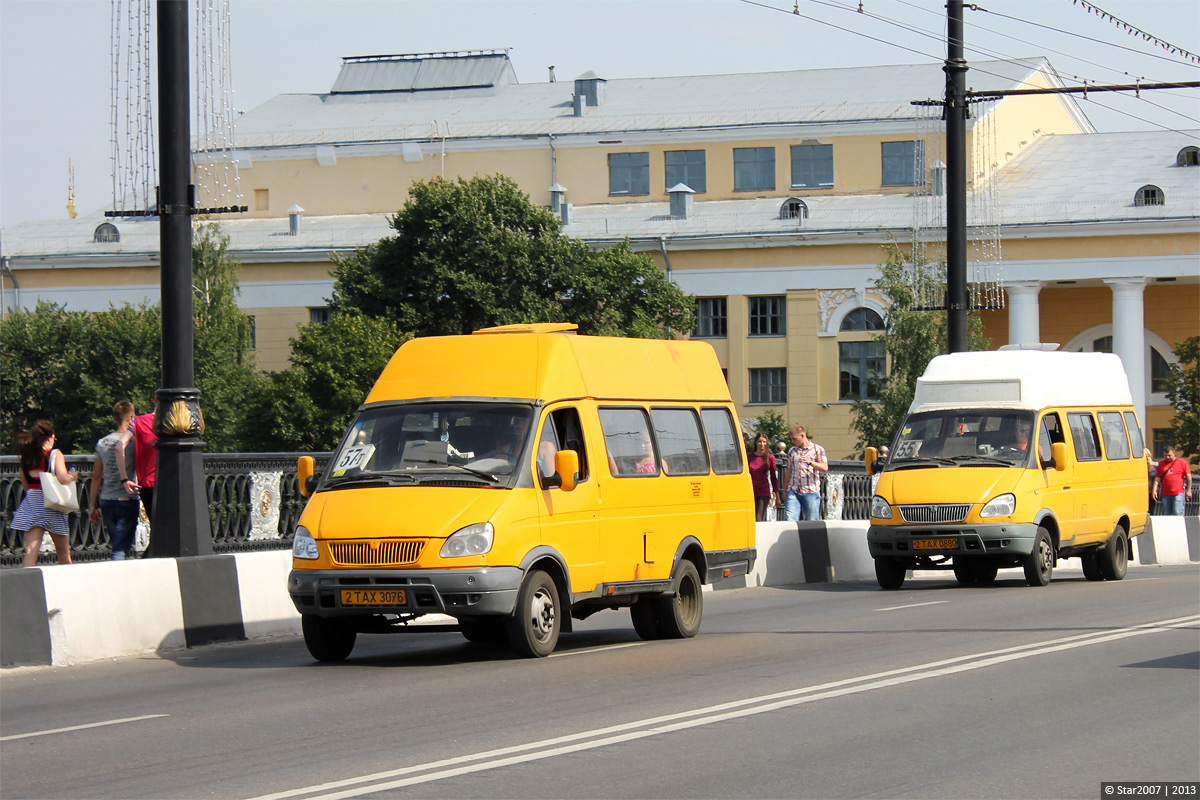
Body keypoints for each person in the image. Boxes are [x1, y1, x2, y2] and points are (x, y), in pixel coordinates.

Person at [12, 420, 80, 567]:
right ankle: (70, 584)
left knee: (31, 550)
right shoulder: (55, 454)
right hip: (52, 504)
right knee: (63, 551)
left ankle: (27, 585)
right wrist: (72, 476)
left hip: (32, 504)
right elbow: (62, 478)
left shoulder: (27, 456)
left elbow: (26, 486)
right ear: (50, 437)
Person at [88, 401, 140, 560]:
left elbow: (97, 476)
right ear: (132, 417)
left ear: (114, 418)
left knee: (117, 544)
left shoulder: (102, 442)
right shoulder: (133, 441)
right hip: (128, 498)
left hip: (107, 500)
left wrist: (92, 506)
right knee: (120, 549)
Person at [116, 395, 158, 521]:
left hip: (148, 484)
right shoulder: (175, 424)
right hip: (173, 483)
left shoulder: (137, 422)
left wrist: (125, 479)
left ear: (155, 402)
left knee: (156, 528)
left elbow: (119, 447)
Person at [784, 425, 828, 521]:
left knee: (812, 520)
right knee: (789, 519)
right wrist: (784, 490)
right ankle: (792, 536)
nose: (792, 441)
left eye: (794, 439)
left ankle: (811, 536)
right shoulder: (792, 451)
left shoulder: (817, 449)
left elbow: (825, 467)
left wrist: (810, 462)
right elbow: (789, 470)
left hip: (810, 490)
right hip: (793, 489)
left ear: (803, 436)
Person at [748, 432, 781, 521]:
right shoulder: (749, 457)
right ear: (755, 443)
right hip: (751, 491)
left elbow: (774, 478)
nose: (762, 444)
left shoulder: (770, 458)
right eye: (759, 441)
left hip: (763, 491)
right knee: (751, 518)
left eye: (764, 442)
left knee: (759, 518)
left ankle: (758, 535)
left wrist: (777, 497)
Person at [1152, 445, 1193, 516]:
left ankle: (1178, 527)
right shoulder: (1161, 464)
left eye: (1169, 455)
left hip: (1178, 493)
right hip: (1165, 494)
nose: (1167, 457)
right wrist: (1154, 490)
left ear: (1174, 454)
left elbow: (1188, 477)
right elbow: (1157, 478)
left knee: (1177, 512)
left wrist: (1189, 490)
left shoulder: (1182, 462)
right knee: (1166, 514)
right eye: (1165, 455)